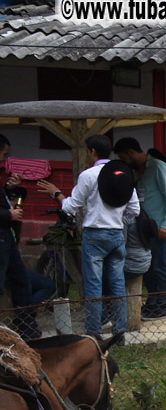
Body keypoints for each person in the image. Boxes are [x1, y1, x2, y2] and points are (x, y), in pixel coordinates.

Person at [38, 135, 138, 338]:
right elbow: (134, 209)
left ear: (92, 152)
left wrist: (57, 194)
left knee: (94, 285)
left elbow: (71, 208)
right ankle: (120, 332)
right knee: (117, 284)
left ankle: (94, 332)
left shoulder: (88, 175)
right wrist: (117, 217)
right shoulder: (123, 174)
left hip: (94, 234)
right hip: (117, 233)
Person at [113, 137, 166, 319]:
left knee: (160, 266)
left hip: (160, 226)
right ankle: (152, 302)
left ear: (131, 152)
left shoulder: (157, 167)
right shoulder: (138, 171)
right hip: (144, 228)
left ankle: (162, 307)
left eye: (123, 157)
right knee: (148, 267)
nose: (124, 161)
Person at [0, 135, 38, 340]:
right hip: (1, 235)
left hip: (6, 236)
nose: (5, 159)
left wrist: (8, 189)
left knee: (21, 279)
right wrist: (9, 214)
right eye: (4, 153)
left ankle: (25, 324)